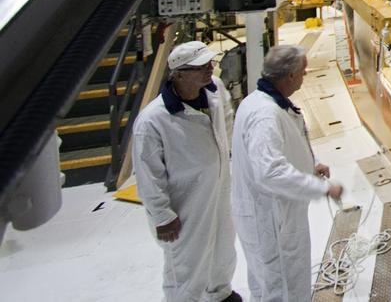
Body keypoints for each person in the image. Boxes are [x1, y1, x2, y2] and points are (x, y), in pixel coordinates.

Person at [232, 44, 343, 302]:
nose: (305, 75)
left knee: (272, 284)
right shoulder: (265, 115)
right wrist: (322, 188)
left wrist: (310, 165)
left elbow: (278, 148)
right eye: (303, 71)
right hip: (271, 218)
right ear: (290, 75)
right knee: (281, 287)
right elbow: (269, 172)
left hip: (275, 213)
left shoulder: (261, 101)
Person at [131, 40, 241, 302]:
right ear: (179, 74)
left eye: (209, 63)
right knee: (187, 265)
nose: (209, 69)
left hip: (218, 190)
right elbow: (148, 175)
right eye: (200, 66)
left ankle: (220, 295)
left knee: (223, 252)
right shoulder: (153, 120)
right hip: (185, 204)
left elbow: (227, 123)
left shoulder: (215, 90)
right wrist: (161, 215)